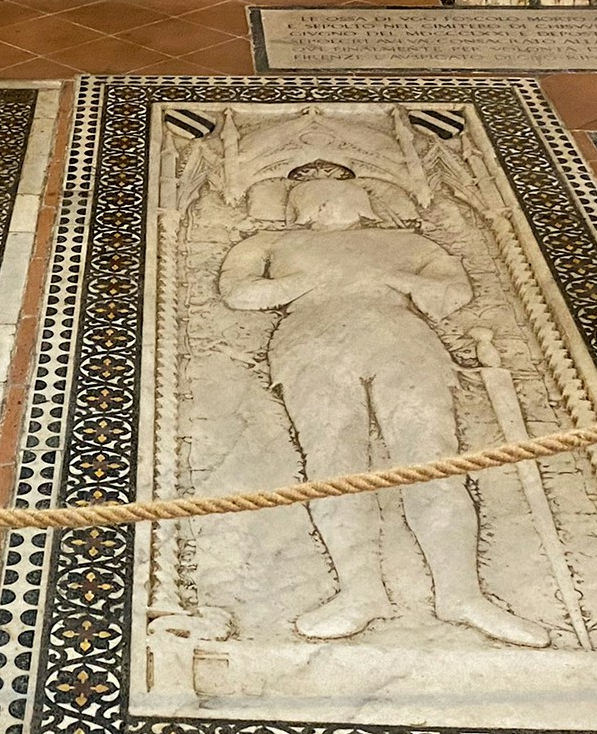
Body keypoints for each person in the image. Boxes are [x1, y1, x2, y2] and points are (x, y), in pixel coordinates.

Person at [217, 166, 549, 647]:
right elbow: (240, 292)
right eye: (313, 192)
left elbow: (455, 292)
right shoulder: (268, 242)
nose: (325, 197)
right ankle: (359, 592)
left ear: (360, 197)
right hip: (312, 339)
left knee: (435, 459)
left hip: (402, 338)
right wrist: (305, 283)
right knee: (335, 462)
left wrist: (390, 277)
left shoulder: (405, 242)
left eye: (337, 189)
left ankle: (461, 593)